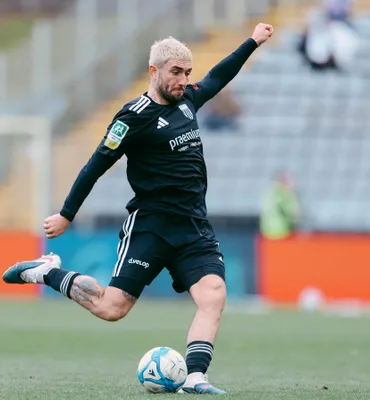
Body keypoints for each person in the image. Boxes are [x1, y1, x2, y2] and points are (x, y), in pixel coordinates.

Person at [3, 23, 274, 394]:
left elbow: (218, 76)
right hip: (151, 227)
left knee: (213, 293)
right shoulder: (132, 117)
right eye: (176, 72)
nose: (184, 80)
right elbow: (94, 166)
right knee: (111, 309)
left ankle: (195, 376)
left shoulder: (188, 101)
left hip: (193, 227)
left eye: (187, 72)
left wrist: (252, 42)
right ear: (154, 71)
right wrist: (66, 214)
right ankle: (45, 272)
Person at [260, 171, 301, 240]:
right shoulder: (284, 193)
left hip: (267, 232)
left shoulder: (270, 191)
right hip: (281, 232)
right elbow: (293, 215)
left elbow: (265, 211)